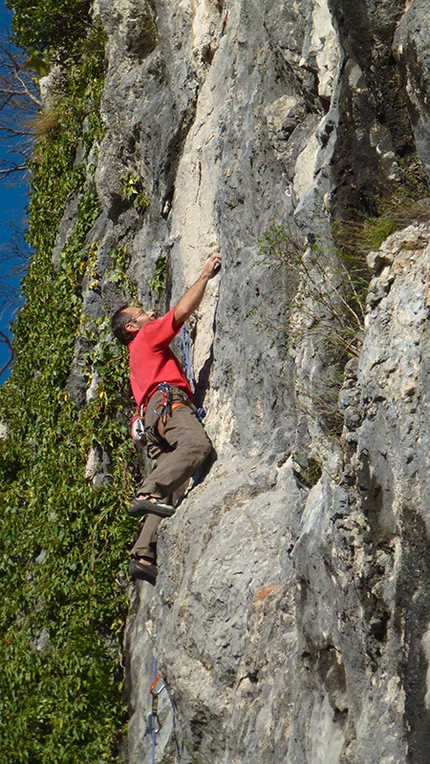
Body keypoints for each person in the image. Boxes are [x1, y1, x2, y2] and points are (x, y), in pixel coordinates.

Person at [111, 253, 222, 584]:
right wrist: (203, 276)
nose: (150, 313)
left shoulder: (135, 360)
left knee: (174, 483)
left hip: (150, 421)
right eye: (142, 313)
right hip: (168, 405)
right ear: (132, 326)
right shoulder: (145, 337)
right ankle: (148, 490)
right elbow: (181, 313)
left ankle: (143, 553)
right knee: (196, 446)